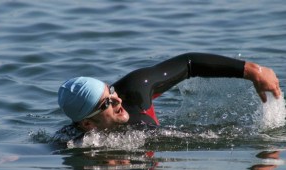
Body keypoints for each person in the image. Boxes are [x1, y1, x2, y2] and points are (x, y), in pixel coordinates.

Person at [58, 52, 281, 132]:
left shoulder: (134, 90)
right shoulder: (75, 141)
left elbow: (189, 63)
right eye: (106, 103)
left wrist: (251, 70)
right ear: (87, 124)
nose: (117, 101)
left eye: (111, 91)